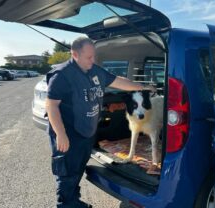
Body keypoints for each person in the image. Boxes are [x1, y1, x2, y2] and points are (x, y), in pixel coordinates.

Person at [46, 37, 155, 208]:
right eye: (89, 57)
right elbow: (51, 106)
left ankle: (74, 202)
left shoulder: (95, 71)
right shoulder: (62, 75)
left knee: (78, 169)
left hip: (85, 133)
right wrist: (60, 134)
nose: (93, 60)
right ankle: (65, 205)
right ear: (74, 54)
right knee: (66, 173)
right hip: (68, 134)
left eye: (93, 56)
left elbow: (118, 81)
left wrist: (141, 87)